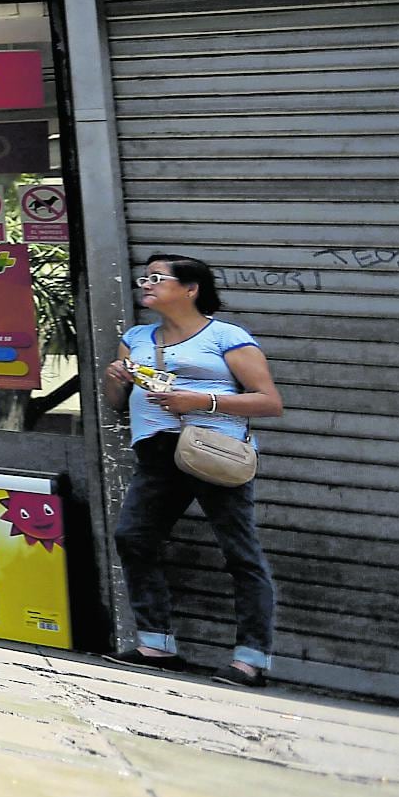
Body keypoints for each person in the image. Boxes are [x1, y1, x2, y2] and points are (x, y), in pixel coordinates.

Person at [107, 254, 284, 687]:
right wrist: (116, 377)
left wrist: (200, 401)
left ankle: (251, 658)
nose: (145, 285)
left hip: (214, 450)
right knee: (133, 536)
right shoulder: (136, 337)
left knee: (239, 551)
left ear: (191, 289)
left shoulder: (226, 337)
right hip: (157, 453)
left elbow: (269, 401)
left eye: (156, 279)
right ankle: (157, 644)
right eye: (143, 278)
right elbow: (117, 403)